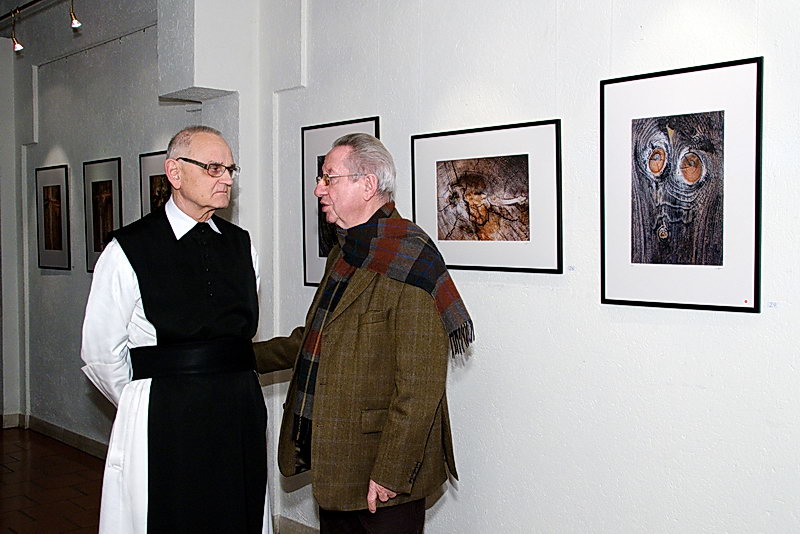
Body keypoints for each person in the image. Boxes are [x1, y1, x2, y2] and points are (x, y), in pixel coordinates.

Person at [254, 133, 473, 534]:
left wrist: (390, 473)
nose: (319, 189)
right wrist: (242, 355)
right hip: (337, 461)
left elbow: (420, 387)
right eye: (321, 178)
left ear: (368, 184)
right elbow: (318, 338)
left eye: (329, 177)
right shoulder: (346, 252)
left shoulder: (411, 259)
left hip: (384, 474)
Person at [80, 126, 272, 534]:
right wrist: (144, 402)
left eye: (230, 169)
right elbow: (100, 353)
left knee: (239, 510)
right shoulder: (128, 249)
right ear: (174, 172)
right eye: (214, 168)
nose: (227, 179)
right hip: (164, 413)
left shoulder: (243, 246)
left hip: (238, 411)